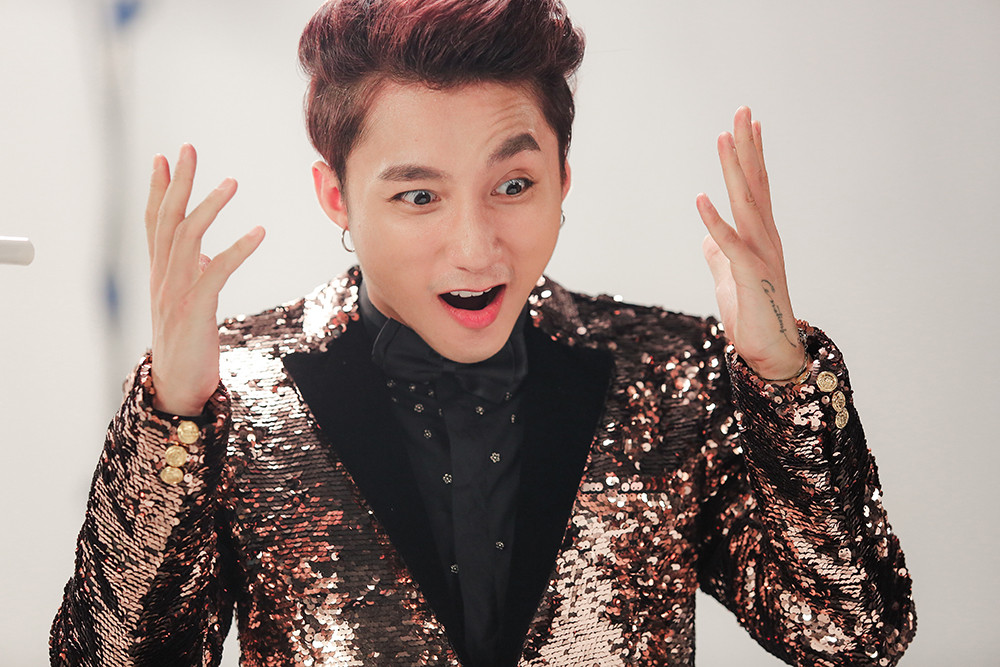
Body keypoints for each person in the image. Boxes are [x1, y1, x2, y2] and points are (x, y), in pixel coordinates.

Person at [50, 0, 916, 665]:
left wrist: (782, 376)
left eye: (512, 186)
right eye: (418, 195)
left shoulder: (671, 375)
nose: (474, 247)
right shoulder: (233, 392)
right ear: (336, 197)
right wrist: (173, 415)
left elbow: (854, 634)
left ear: (563, 178)